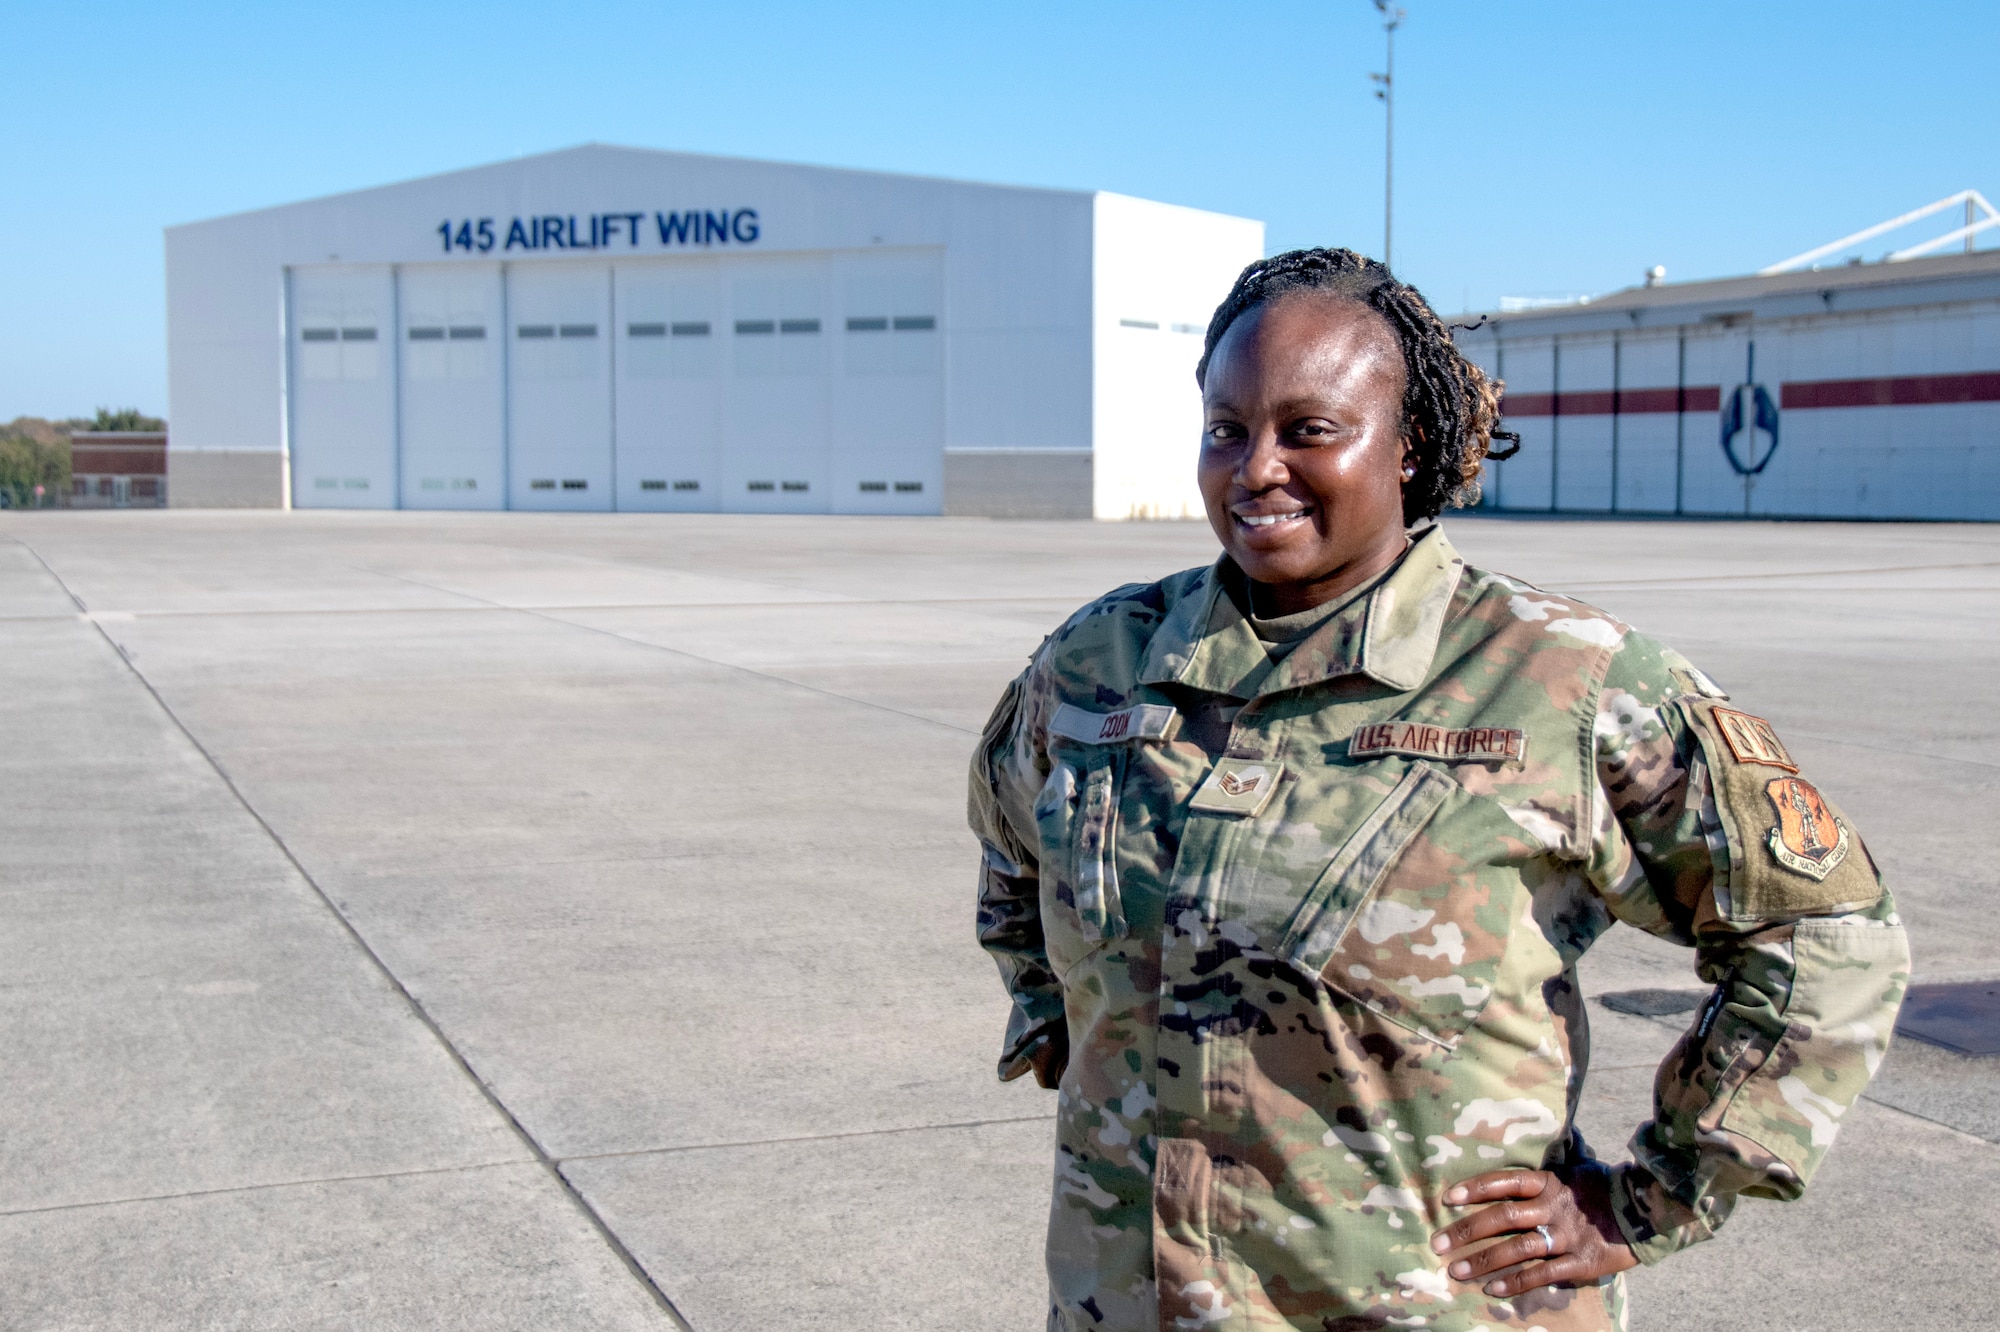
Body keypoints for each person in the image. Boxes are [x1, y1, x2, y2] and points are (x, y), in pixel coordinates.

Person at [969, 248, 1908, 1332]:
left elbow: (1829, 935)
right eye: (1226, 429)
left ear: (1408, 444)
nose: (1254, 468)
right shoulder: (1099, 661)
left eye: (1307, 430)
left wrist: (1650, 1197)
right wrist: (1054, 1009)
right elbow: (1009, 838)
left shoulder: (1562, 680)